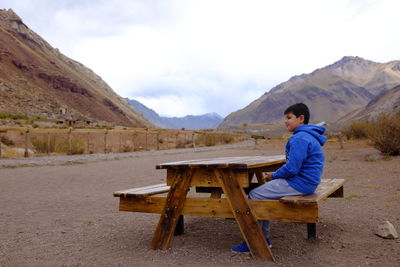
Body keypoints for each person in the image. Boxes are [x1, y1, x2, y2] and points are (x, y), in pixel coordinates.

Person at [231, 102, 327, 253]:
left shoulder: (299, 138)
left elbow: (292, 168)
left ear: (301, 118)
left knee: (255, 194)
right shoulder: (308, 136)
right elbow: (294, 166)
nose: (285, 121)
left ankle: (258, 240)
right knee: (262, 191)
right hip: (308, 182)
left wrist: (273, 175)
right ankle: (262, 236)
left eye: (289, 117)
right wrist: (276, 176)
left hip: (300, 183)